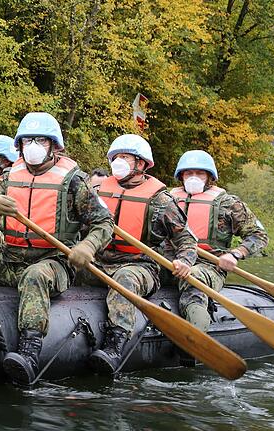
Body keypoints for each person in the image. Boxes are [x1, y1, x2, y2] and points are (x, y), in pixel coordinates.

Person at [0, 112, 114, 385]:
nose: (32, 146)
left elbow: (104, 223)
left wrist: (88, 245)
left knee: (35, 275)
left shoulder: (74, 181)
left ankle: (29, 352)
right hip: (10, 257)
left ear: (54, 146)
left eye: (39, 140)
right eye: (26, 141)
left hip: (53, 262)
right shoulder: (9, 177)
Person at [89, 134, 197, 374]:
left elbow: (187, 240)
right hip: (98, 261)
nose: (118, 161)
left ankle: (115, 345)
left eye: (125, 157)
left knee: (124, 280)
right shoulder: (98, 191)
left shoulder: (160, 199)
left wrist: (185, 260)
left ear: (140, 164)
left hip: (139, 266)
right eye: (115, 157)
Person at [171, 150, 268, 333]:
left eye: (199, 173)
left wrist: (235, 254)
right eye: (188, 173)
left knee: (194, 277)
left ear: (210, 177)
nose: (193, 177)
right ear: (181, 176)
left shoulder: (229, 204)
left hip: (209, 266)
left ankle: (195, 337)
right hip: (170, 262)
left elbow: (258, 235)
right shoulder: (168, 200)